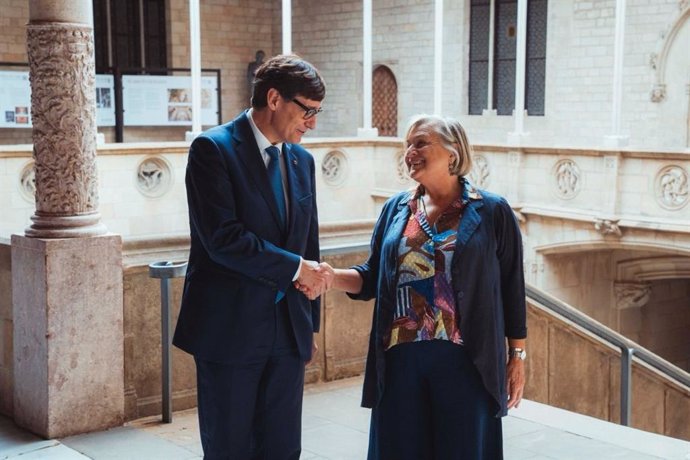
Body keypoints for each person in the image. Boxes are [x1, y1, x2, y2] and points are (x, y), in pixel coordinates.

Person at [299, 115, 527, 459]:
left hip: (467, 360)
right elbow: (372, 274)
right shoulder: (397, 208)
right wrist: (331, 276)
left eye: (420, 143)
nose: (409, 152)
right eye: (407, 144)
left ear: (452, 153)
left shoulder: (492, 210)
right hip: (400, 359)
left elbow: (512, 286)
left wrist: (517, 356)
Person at [173, 54, 328, 459]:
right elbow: (223, 239)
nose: (312, 123)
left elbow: (307, 245)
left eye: (317, 112)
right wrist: (295, 268)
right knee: (230, 448)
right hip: (230, 329)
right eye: (307, 111)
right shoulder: (212, 149)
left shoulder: (303, 161)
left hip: (288, 331)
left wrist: (308, 326)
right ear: (274, 99)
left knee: (282, 449)